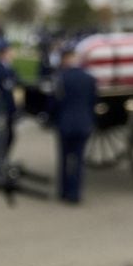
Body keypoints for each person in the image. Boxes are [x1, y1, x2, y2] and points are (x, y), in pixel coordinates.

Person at [53, 45, 98, 204]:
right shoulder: (89, 78)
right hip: (83, 123)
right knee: (78, 160)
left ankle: (64, 191)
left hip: (65, 123)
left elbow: (55, 102)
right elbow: (93, 101)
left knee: (64, 159)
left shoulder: (61, 78)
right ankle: (75, 194)